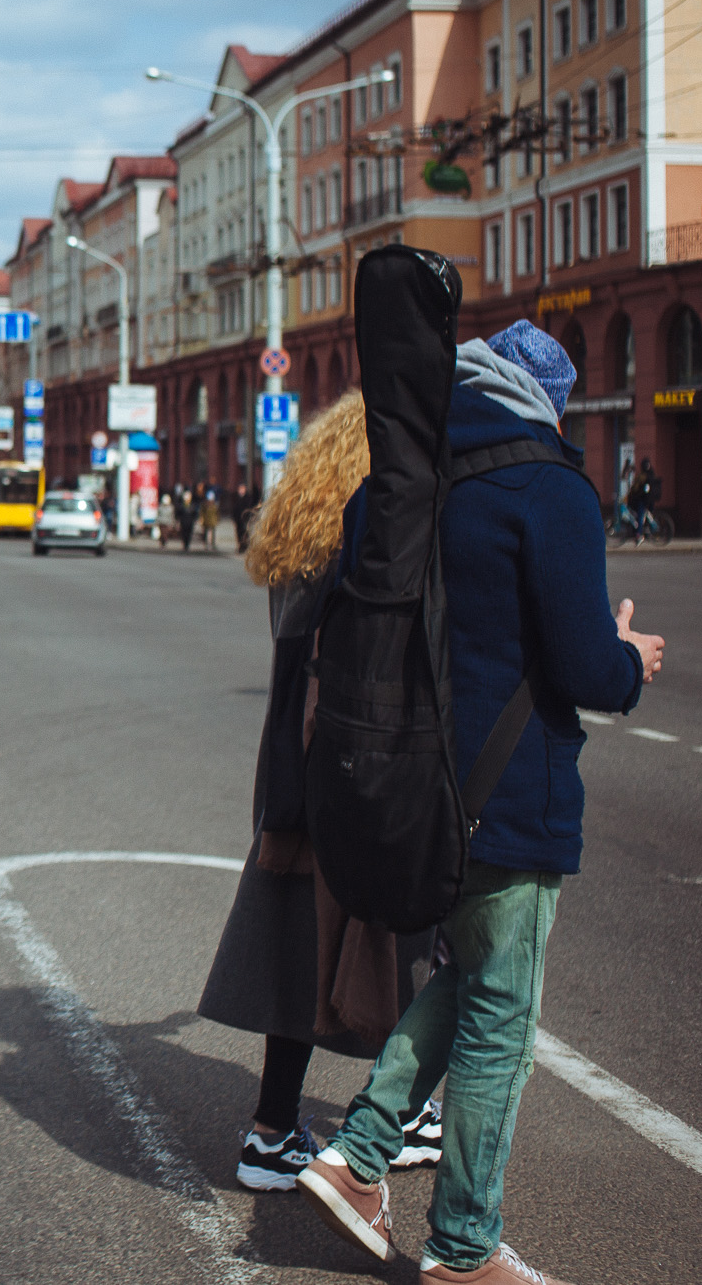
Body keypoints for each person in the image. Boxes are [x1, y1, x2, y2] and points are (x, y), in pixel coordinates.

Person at [297, 322, 662, 1283]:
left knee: (467, 981)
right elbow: (588, 665)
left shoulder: (394, 485)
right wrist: (632, 658)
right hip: (510, 795)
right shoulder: (548, 489)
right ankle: (462, 1251)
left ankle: (358, 1159)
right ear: (546, 401)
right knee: (502, 1016)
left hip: (406, 788)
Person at [199, 391, 440, 1194]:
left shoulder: (302, 538)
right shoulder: (368, 541)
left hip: (294, 772)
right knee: (399, 934)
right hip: (350, 765)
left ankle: (273, 1132)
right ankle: (394, 1116)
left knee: (296, 947)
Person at [201, 482, 221, 549]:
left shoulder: (214, 506)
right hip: (206, 521)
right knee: (206, 533)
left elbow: (217, 513)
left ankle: (213, 544)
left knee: (213, 533)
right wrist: (201, 519)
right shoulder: (205, 505)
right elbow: (202, 513)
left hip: (213, 521)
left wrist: (218, 519)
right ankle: (206, 544)